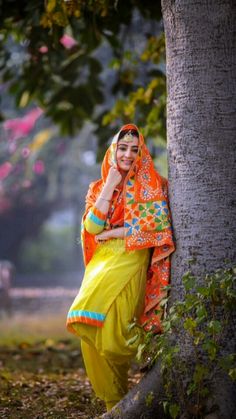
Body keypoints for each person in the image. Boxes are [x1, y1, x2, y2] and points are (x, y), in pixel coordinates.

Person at [66, 124, 175, 411]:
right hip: (102, 262)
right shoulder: (99, 187)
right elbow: (91, 227)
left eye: (134, 149)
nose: (127, 154)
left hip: (132, 257)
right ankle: (113, 402)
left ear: (142, 154)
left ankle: (150, 354)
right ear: (113, 150)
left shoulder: (154, 185)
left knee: (117, 336)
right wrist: (112, 183)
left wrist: (113, 233)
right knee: (87, 325)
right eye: (122, 148)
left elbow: (154, 229)